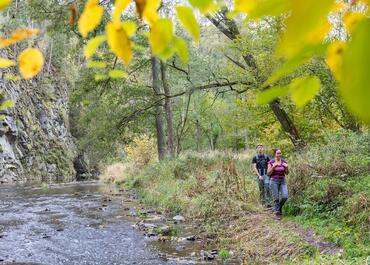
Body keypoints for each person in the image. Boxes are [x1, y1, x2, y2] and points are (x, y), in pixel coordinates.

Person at [267, 149, 289, 220]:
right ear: (275, 154)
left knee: (285, 196)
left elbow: (287, 173)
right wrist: (273, 167)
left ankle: (278, 208)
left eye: (280, 153)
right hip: (274, 181)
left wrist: (287, 167)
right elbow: (268, 173)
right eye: (278, 153)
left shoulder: (284, 162)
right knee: (276, 198)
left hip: (282, 180)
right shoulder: (271, 162)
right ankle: (277, 213)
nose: (279, 154)